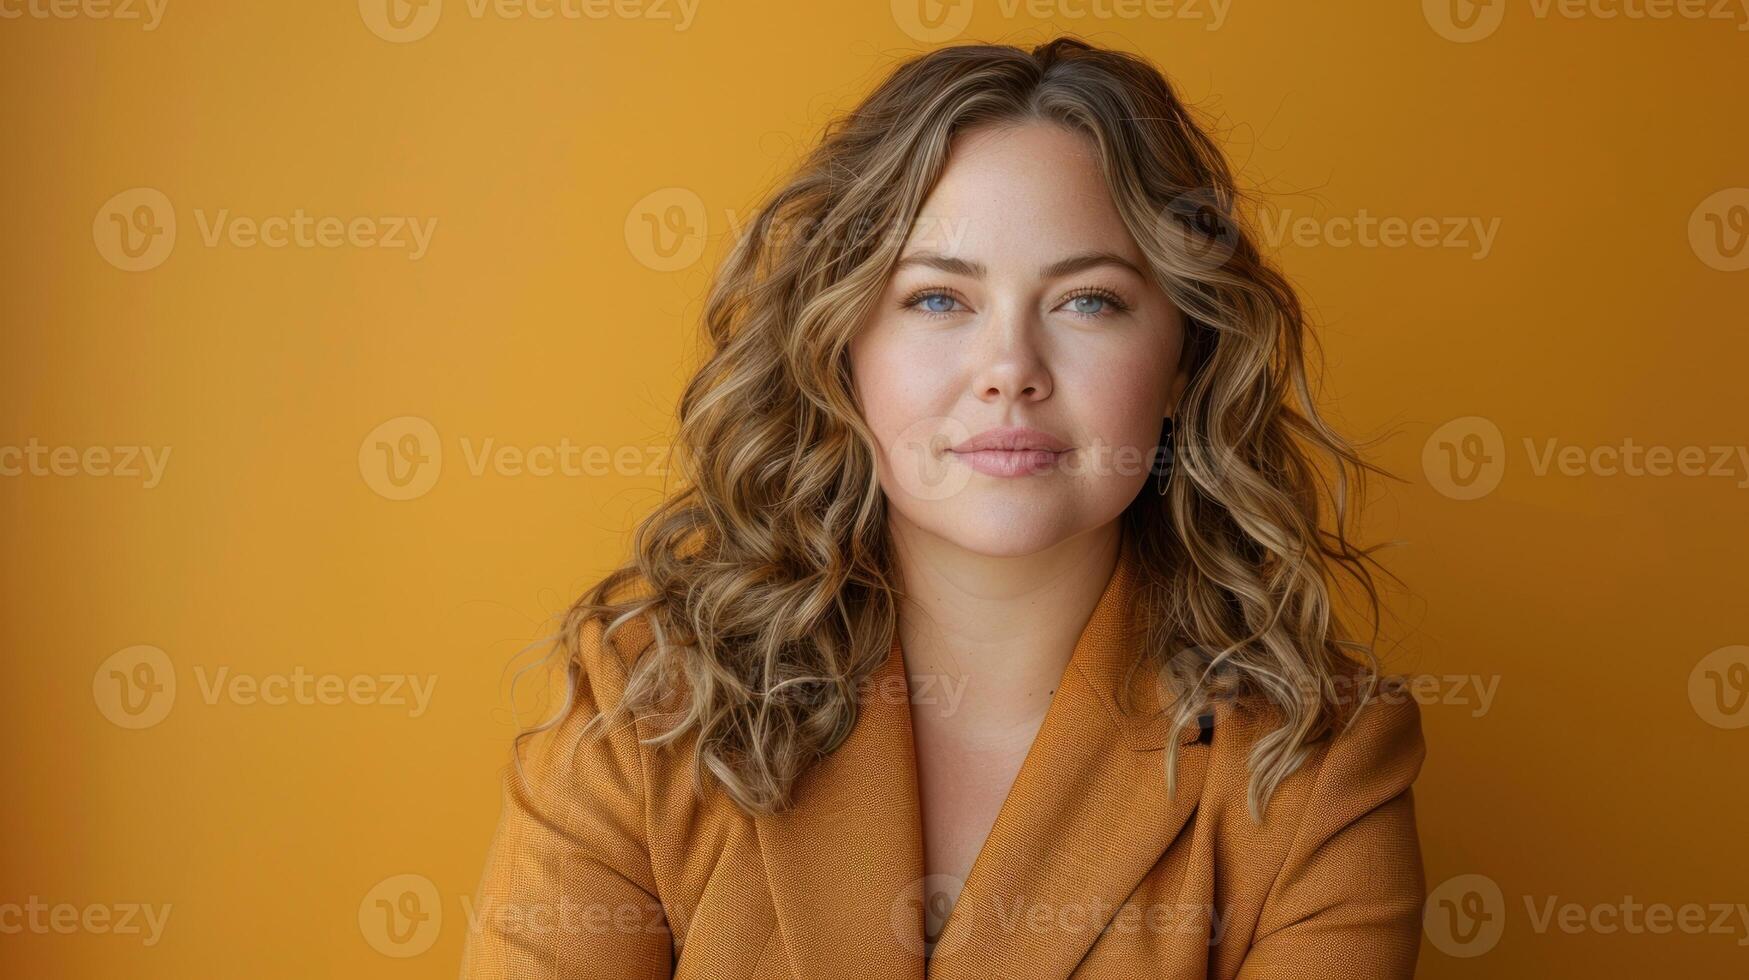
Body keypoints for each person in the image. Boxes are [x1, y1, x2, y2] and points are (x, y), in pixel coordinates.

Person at [462, 35, 1425, 980]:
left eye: (1087, 300)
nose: (1009, 371)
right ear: (839, 347)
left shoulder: (1319, 762)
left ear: (1183, 360)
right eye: (936, 300)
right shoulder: (644, 707)